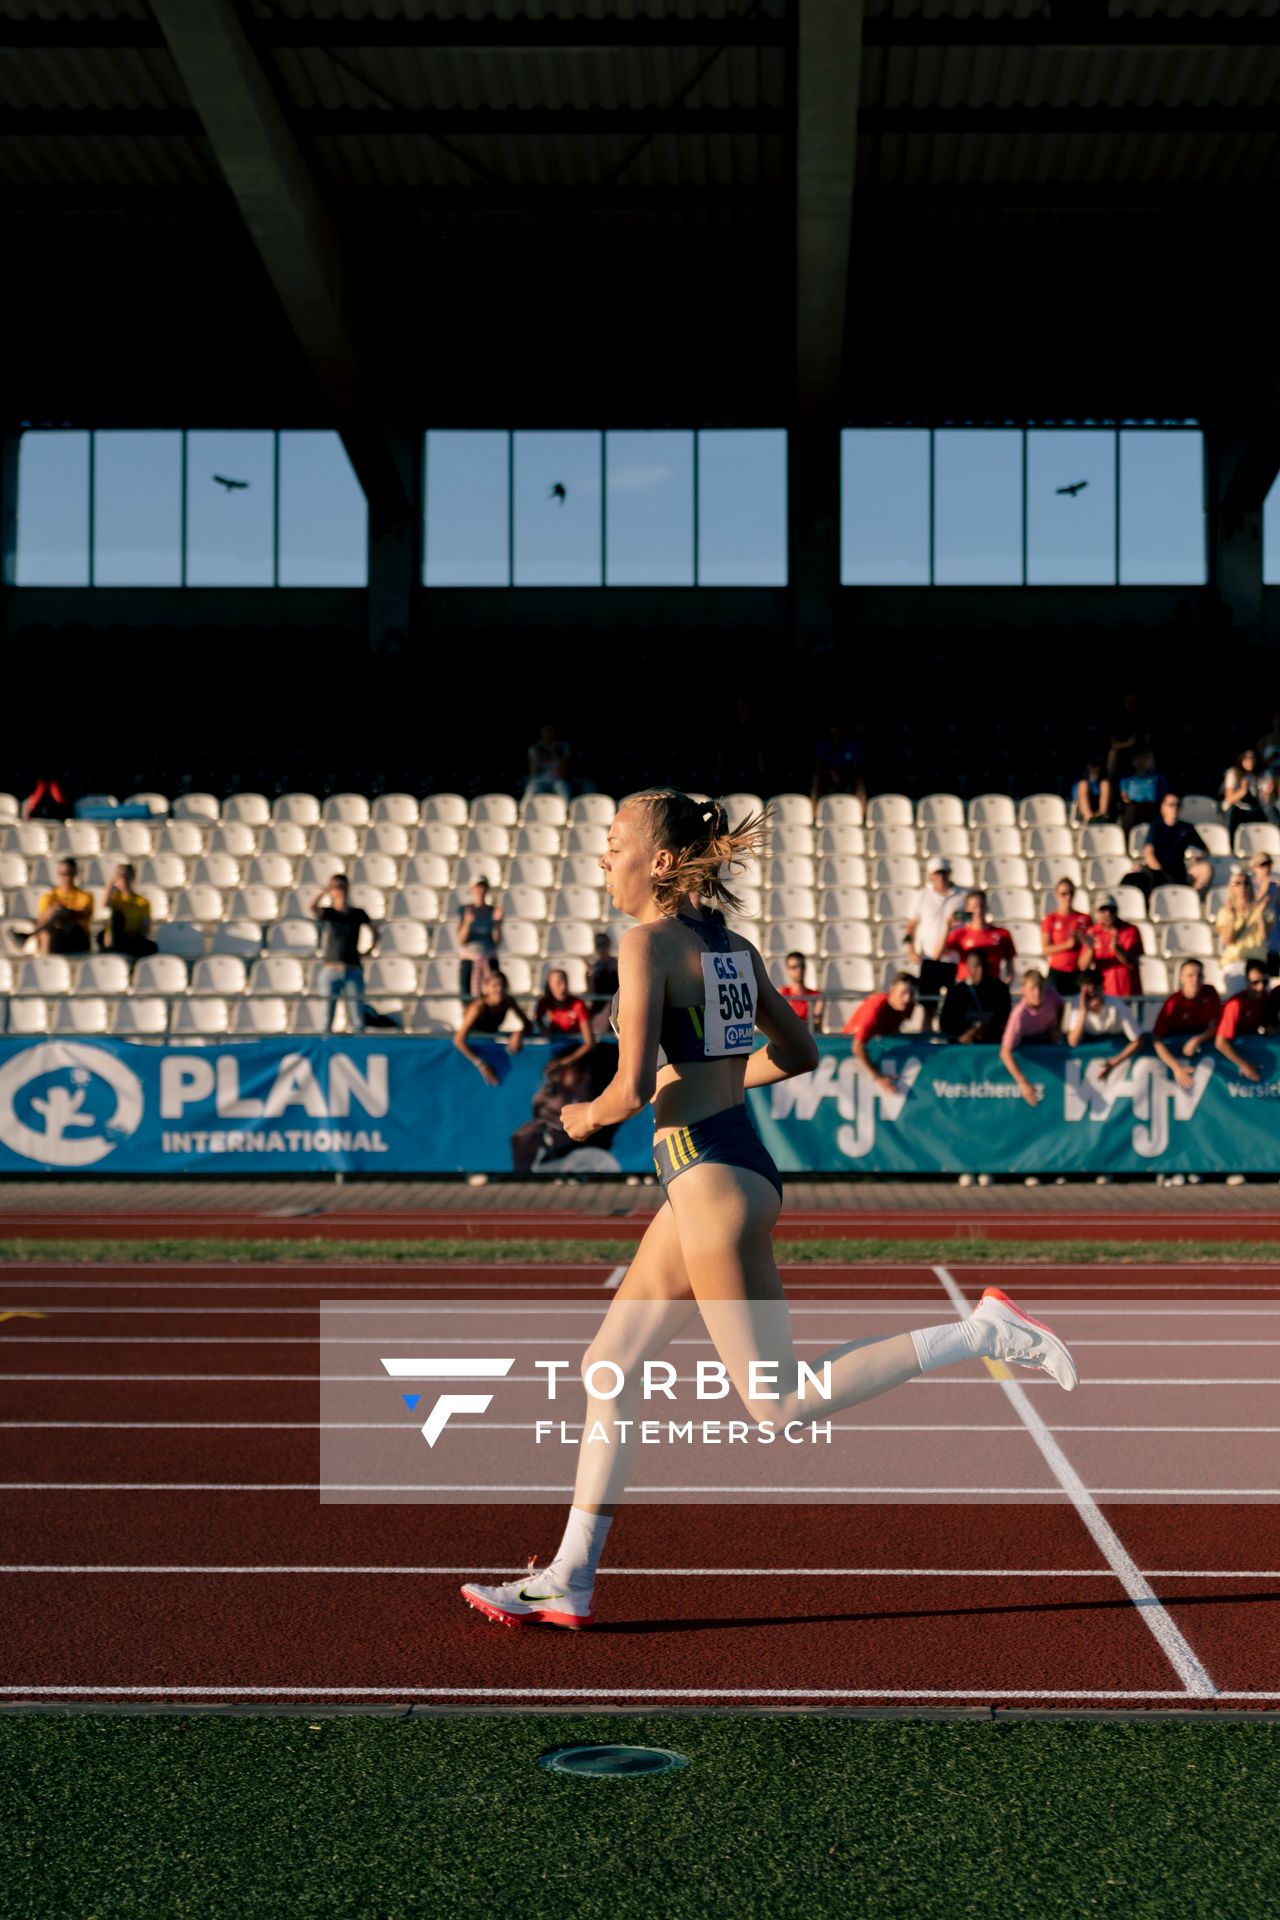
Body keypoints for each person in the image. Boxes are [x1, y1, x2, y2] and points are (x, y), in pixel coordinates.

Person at [459, 789, 1077, 1631]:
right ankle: (570, 1574)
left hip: (711, 1184)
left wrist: (577, 1120)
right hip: (717, 1169)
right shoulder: (734, 950)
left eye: (614, 843)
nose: (603, 858)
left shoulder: (646, 945)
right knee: (609, 1364)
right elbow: (800, 1053)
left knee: (778, 1403)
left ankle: (981, 1332)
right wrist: (707, 1088)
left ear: (663, 861)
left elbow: (630, 1090)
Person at [310, 872, 377, 1035]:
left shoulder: (357, 913)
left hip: (352, 970)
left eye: (342, 887)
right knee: (326, 1019)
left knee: (357, 1019)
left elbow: (376, 932)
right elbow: (312, 908)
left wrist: (368, 950)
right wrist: (324, 892)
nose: (340, 891)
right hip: (331, 969)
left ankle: (359, 1050)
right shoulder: (330, 913)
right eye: (336, 887)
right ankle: (325, 1051)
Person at [905, 858, 966, 1030]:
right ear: (930, 876)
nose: (940, 877)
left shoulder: (963, 895)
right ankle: (927, 1043)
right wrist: (911, 949)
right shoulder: (922, 896)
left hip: (954, 959)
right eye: (937, 873)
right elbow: (911, 926)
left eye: (943, 872)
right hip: (929, 959)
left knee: (954, 1007)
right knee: (928, 1007)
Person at [1122, 792, 1212, 903]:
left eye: (1177, 805)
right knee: (1136, 869)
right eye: (1171, 805)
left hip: (1179, 871)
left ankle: (1190, 899)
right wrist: (1161, 873)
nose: (1174, 808)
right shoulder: (1156, 826)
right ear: (1163, 807)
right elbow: (1148, 852)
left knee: (1206, 868)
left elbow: (1205, 849)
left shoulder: (1187, 828)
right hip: (1158, 872)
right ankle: (1147, 902)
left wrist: (1198, 858)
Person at [1152, 959, 1221, 1089]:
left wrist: (1198, 1040)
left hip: (1203, 1052)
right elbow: (1156, 1039)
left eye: (1199, 976)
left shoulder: (1210, 993)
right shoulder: (1173, 1003)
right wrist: (1176, 1068)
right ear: (1181, 978)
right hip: (1176, 1053)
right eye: (1190, 975)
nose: (1195, 980)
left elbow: (1214, 1027)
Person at [454, 969, 531, 1085]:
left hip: (490, 1045)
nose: (499, 989)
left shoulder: (508, 1001)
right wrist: (482, 1065)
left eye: (502, 986)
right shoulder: (478, 1007)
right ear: (487, 988)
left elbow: (528, 1024)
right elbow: (458, 1040)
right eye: (494, 985)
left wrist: (518, 1033)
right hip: (472, 1053)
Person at [843, 973, 916, 1093]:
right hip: (850, 1052)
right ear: (892, 989)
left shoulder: (908, 1005)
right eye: (903, 993)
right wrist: (879, 1078)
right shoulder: (875, 1008)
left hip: (877, 1048)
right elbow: (857, 1048)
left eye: (911, 994)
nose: (907, 999)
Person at [999, 970, 1063, 1106]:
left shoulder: (1051, 994)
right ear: (1024, 991)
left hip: (1046, 1043)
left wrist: (1057, 1027)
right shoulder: (1019, 1015)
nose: (1037, 993)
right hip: (1025, 1046)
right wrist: (1023, 1083)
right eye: (1032, 989)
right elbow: (1004, 1053)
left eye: (1040, 987)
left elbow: (1061, 1005)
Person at [1066, 969, 1142, 1077]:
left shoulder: (1118, 1007)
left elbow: (1137, 1041)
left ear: (1102, 988)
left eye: (1095, 988)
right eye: (1087, 990)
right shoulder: (1077, 1004)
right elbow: (1073, 1042)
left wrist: (1115, 1061)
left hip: (1118, 1054)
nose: (1092, 992)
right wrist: (1084, 1011)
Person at [1215, 958, 1276, 1083]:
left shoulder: (1264, 998)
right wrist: (1244, 1065)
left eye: (1264, 982)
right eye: (1255, 982)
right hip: (1232, 1058)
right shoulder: (1235, 1004)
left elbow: (1267, 1027)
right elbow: (1220, 1043)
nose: (1260, 987)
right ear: (1246, 981)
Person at [1214, 869, 1272, 997]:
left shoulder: (1261, 908)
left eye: (1246, 883)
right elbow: (1227, 940)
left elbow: (1263, 937)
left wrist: (1260, 915)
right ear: (1231, 887)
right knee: (1237, 1002)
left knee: (1262, 1004)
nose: (1242, 886)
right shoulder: (1225, 911)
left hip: (1258, 963)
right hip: (1235, 962)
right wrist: (1233, 918)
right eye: (1238, 883)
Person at [938, 947, 1012, 1043]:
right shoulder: (956, 992)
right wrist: (967, 1032)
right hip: (964, 1048)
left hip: (992, 1046)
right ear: (968, 967)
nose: (980, 971)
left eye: (983, 966)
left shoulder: (1000, 990)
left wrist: (983, 1029)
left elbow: (1006, 1019)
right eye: (976, 967)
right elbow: (946, 1023)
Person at [943, 889, 1017, 984]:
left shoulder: (1002, 934)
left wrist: (1004, 988)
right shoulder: (960, 934)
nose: (978, 911)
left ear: (987, 907)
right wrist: (947, 926)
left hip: (991, 988)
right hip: (967, 989)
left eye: (981, 906)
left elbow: (1010, 968)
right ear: (967, 910)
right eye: (974, 907)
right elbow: (939, 953)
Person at [1040, 876, 1093, 997]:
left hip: (1078, 971)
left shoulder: (1085, 919)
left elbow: (1090, 944)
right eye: (1063, 894)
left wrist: (1081, 942)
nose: (1067, 897)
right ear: (1057, 895)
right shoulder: (1050, 919)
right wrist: (1068, 945)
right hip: (1057, 972)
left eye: (1071, 893)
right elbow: (1046, 949)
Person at [532, 968, 595, 1064]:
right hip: (556, 1050)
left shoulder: (578, 1005)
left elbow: (589, 1043)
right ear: (550, 985)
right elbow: (537, 1017)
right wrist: (542, 1027)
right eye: (558, 983)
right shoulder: (544, 1003)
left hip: (575, 1051)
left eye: (565, 982)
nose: (563, 987)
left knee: (569, 1077)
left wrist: (566, 1061)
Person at [1087, 895, 1144, 998]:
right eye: (1103, 910)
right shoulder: (1093, 932)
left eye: (1111, 910)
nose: (1108, 913)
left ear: (1117, 911)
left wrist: (1117, 950)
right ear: (1097, 913)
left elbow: (1133, 963)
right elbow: (1082, 966)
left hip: (1129, 993)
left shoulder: (1131, 930)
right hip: (1104, 995)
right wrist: (1089, 950)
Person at [456, 876, 502, 1001]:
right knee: (467, 998)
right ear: (472, 889)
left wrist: (496, 923)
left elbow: (496, 941)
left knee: (491, 998)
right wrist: (467, 923)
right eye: (477, 886)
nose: (480, 890)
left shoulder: (494, 911)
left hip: (489, 960)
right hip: (470, 962)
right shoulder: (465, 910)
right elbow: (461, 940)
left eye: (482, 886)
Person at [34, 857, 92, 956]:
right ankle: (46, 961)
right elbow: (41, 920)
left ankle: (29, 936)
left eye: (69, 874)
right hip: (56, 937)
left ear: (75, 874)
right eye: (62, 874)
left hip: (76, 937)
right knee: (48, 931)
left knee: (63, 920)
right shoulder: (48, 896)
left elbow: (85, 914)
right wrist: (51, 912)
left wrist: (67, 911)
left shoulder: (85, 896)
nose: (66, 878)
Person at [98, 863, 155, 959]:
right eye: (120, 876)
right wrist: (111, 882)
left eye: (126, 876)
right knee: (116, 917)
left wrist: (136, 933)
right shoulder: (115, 898)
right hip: (115, 937)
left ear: (132, 877)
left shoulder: (142, 902)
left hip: (131, 937)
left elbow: (145, 927)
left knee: (151, 947)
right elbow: (104, 904)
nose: (123, 879)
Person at [810, 723, 865, 807]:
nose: (836, 732)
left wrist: (843, 773)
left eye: (839, 729)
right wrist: (831, 772)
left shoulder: (851, 744)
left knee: (859, 780)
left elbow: (856, 766)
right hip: (828, 775)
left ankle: (862, 812)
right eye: (834, 729)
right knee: (817, 780)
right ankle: (814, 812)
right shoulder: (823, 744)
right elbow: (818, 766)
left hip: (847, 774)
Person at [1223, 747, 1269, 846]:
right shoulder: (1233, 772)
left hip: (1256, 809)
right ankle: (1230, 846)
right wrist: (1242, 791)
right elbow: (1229, 798)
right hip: (1238, 808)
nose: (1250, 761)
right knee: (1231, 812)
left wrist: (1267, 793)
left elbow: (1265, 802)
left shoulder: (1263, 773)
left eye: (1253, 758)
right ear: (1241, 759)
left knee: (1270, 811)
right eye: (1247, 758)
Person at [1117, 749, 1167, 838]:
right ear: (1133, 761)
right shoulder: (1126, 779)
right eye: (1137, 759)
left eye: (1142, 759)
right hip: (1134, 806)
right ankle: (1127, 839)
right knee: (1130, 809)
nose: (1140, 762)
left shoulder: (1157, 777)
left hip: (1153, 806)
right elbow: (1124, 797)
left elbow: (1165, 794)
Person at [526, 724, 572, 806]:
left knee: (562, 787)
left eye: (550, 731)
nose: (548, 734)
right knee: (531, 788)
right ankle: (523, 811)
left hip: (557, 780)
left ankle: (567, 810)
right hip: (539, 780)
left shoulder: (563, 747)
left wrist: (553, 751)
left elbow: (563, 770)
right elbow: (534, 772)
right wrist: (537, 756)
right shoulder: (535, 748)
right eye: (546, 732)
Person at [778, 950, 824, 1031]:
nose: (799, 970)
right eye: (794, 967)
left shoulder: (817, 996)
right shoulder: (781, 993)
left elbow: (815, 1026)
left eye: (802, 966)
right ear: (787, 971)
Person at [1251, 852, 1280, 977]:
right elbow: (1248, 909)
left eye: (1268, 865)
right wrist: (1264, 888)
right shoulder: (1247, 886)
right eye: (1262, 865)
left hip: (1273, 946)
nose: (1266, 869)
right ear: (1254, 868)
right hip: (1255, 946)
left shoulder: (1275, 887)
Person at [587, 931, 620, 1033]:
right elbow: (592, 992)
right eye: (599, 945)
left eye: (604, 944)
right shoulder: (594, 969)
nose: (602, 948)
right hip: (600, 1006)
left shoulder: (617, 964)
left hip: (617, 1005)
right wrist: (589, 976)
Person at [1074, 755, 1112, 826]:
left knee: (1105, 784)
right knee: (1083, 785)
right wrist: (1089, 816)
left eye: (1098, 766)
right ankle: (1090, 818)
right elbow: (1076, 800)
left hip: (1102, 814)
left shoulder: (1104, 782)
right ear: (1088, 766)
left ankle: (1101, 817)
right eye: (1093, 766)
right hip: (1084, 815)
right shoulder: (1081, 783)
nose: (1095, 768)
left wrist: (1100, 814)